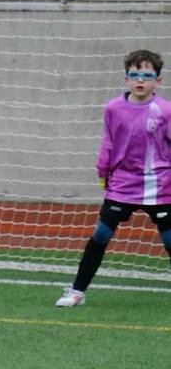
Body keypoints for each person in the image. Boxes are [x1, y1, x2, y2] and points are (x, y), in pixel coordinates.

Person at [56, 49, 171, 307]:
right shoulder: (113, 108)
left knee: (169, 239)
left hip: (160, 185)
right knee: (101, 235)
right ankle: (77, 291)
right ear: (126, 78)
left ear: (158, 81)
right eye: (134, 74)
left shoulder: (165, 111)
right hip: (122, 185)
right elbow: (109, 142)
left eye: (147, 75)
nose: (140, 80)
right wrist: (102, 173)